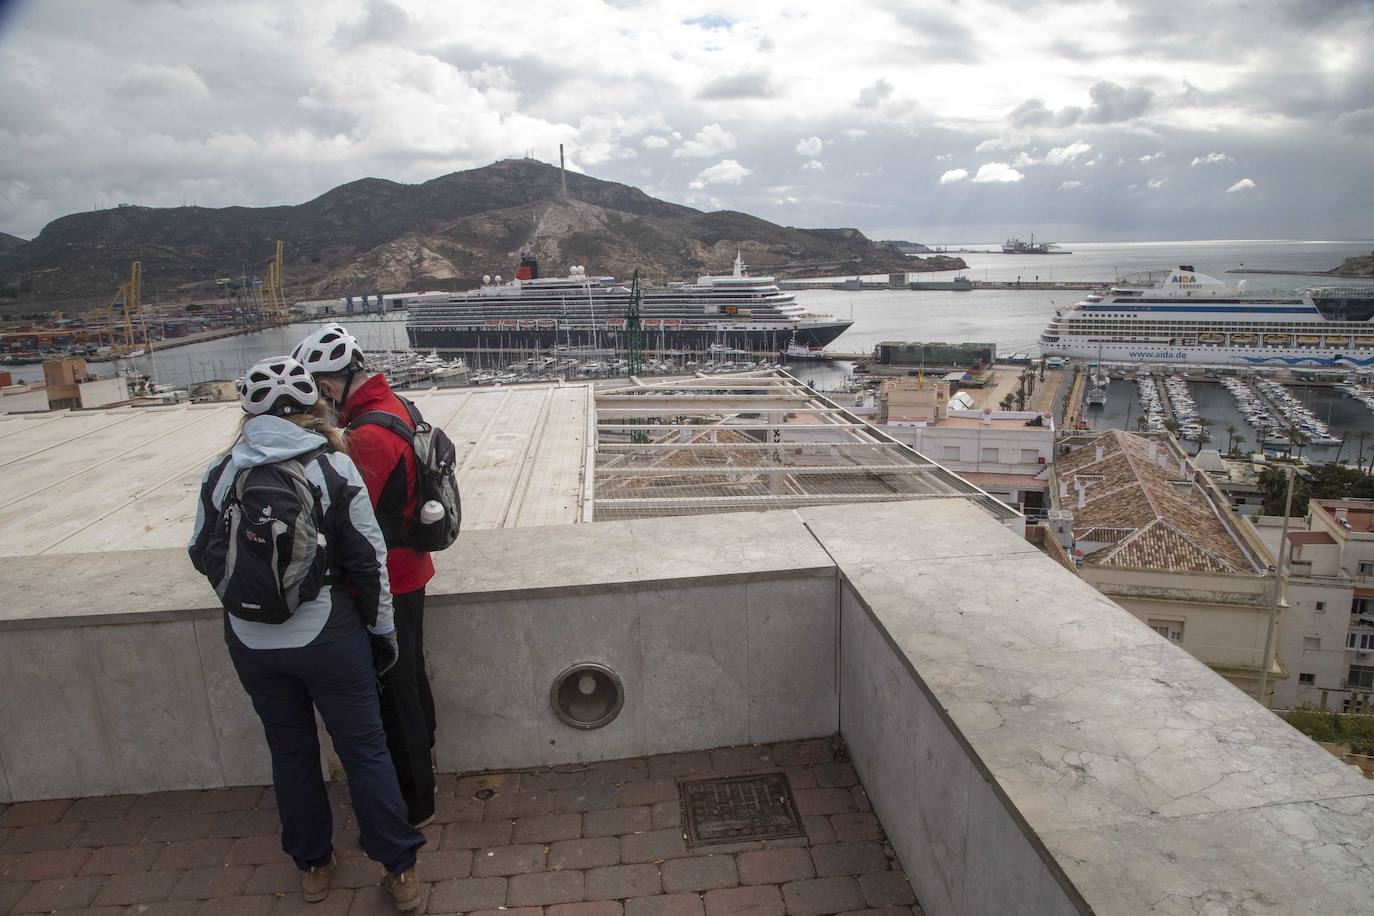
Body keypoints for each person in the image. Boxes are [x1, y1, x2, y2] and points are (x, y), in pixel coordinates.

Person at [188, 356, 424, 911]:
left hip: (251, 640)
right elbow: (370, 562)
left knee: (289, 750)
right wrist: (382, 630)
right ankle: (399, 870)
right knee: (365, 752)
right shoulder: (331, 469)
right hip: (328, 636)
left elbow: (201, 551)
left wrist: (254, 595)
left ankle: (314, 864)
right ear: (314, 407)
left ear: (247, 414)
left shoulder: (222, 472)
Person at [292, 325, 438, 827]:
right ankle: (427, 766)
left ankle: (415, 801)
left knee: (395, 694)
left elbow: (353, 520)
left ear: (331, 384)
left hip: (389, 581)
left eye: (319, 389)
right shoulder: (394, 407)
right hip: (410, 569)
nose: (320, 401)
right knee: (411, 679)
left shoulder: (369, 436)